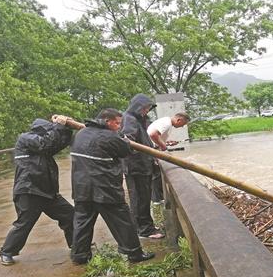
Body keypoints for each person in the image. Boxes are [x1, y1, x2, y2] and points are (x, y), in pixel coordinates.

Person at [70, 109, 155, 264]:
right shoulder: (109, 136)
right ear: (107, 121)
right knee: (122, 219)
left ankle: (79, 256)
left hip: (81, 187)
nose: (118, 126)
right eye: (117, 123)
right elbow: (126, 150)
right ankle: (134, 253)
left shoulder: (81, 133)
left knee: (82, 222)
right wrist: (123, 139)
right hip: (105, 187)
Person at [0, 115, 75, 266]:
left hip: (47, 191)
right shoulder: (26, 138)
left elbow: (59, 143)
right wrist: (58, 127)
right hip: (29, 190)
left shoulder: (43, 144)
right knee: (24, 223)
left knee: (70, 215)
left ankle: (76, 245)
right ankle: (6, 252)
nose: (51, 134)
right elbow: (46, 144)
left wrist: (66, 128)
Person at [121, 94, 164, 239]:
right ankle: (144, 230)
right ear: (137, 107)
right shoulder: (129, 119)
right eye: (145, 108)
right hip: (136, 167)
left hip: (142, 165)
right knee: (139, 199)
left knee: (143, 199)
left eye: (148, 108)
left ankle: (145, 226)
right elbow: (128, 142)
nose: (146, 111)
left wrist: (152, 153)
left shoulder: (138, 120)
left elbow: (143, 142)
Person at [147, 112, 190, 203]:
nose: (182, 127)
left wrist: (167, 142)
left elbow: (157, 137)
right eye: (183, 124)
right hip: (151, 150)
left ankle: (158, 198)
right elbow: (153, 134)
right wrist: (164, 147)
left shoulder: (167, 122)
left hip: (153, 149)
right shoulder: (166, 123)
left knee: (157, 174)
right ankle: (157, 199)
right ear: (179, 120)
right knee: (157, 175)